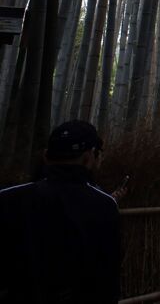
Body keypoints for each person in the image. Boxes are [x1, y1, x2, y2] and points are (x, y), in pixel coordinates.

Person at [0, 120, 120, 303]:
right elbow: (106, 282)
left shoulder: (8, 198)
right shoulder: (103, 206)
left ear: (46, 156)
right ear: (89, 158)